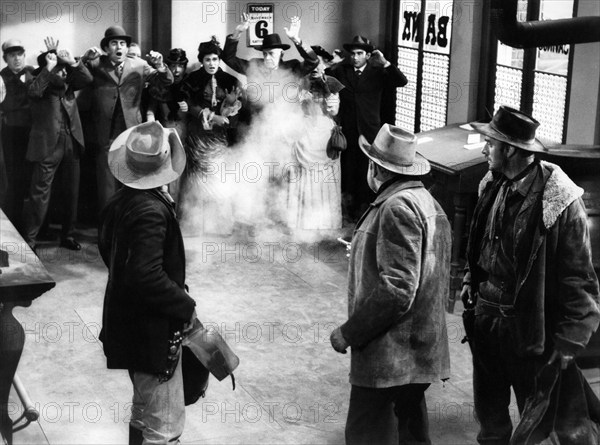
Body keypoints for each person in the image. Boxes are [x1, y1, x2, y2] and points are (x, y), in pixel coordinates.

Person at [461, 106, 600, 444]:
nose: (484, 149)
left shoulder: (560, 203)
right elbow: (480, 243)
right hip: (486, 323)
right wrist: (470, 278)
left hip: (528, 331)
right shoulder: (492, 186)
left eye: (490, 144)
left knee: (540, 424)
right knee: (490, 417)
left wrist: (569, 340)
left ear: (509, 149)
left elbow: (578, 281)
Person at [330, 123, 451, 444]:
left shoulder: (396, 207)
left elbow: (397, 289)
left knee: (364, 434)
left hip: (392, 354)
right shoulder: (426, 201)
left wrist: (349, 332)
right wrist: (362, 253)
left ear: (376, 168)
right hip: (418, 350)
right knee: (410, 433)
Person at [98, 121, 196, 444]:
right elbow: (146, 275)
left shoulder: (122, 201)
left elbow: (110, 253)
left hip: (130, 328)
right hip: (151, 335)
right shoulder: (151, 211)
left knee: (143, 412)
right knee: (164, 427)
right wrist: (185, 305)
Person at [81, 25, 173, 212]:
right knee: (106, 187)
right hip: (104, 134)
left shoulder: (139, 65)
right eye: (114, 43)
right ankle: (107, 230)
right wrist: (84, 59)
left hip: (132, 134)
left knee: (132, 183)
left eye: (122, 43)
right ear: (106, 48)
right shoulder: (96, 63)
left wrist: (161, 66)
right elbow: (77, 78)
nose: (119, 47)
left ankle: (130, 227)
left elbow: (165, 81)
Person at [326, 36, 408, 222]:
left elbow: (402, 81)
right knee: (348, 170)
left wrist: (385, 63)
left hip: (370, 130)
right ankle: (347, 211)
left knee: (368, 172)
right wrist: (330, 62)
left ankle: (367, 211)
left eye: (360, 53)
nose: (355, 57)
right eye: (353, 54)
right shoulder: (341, 70)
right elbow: (324, 77)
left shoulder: (377, 72)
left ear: (368, 55)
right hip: (347, 130)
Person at [22, 44, 92, 252]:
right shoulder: (37, 82)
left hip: (72, 141)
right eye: (58, 68)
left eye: (64, 68)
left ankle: (67, 235)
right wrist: (48, 68)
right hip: (47, 146)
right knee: (39, 193)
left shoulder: (68, 84)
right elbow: (34, 92)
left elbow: (87, 79)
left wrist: (72, 61)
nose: (63, 72)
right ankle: (30, 240)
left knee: (72, 191)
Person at [178, 37, 242, 234]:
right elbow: (186, 104)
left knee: (219, 177)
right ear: (202, 60)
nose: (212, 63)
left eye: (215, 59)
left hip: (220, 138)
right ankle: (195, 225)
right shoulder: (191, 80)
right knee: (198, 178)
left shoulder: (230, 81)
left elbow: (240, 105)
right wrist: (209, 116)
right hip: (198, 136)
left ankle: (220, 225)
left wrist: (231, 114)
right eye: (207, 60)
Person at [286, 46, 344, 232]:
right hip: (304, 132)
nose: (315, 69)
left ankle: (324, 223)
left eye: (319, 65)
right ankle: (303, 221)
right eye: (313, 65)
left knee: (324, 176)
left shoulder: (332, 83)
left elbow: (334, 111)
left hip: (325, 134)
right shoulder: (300, 83)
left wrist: (328, 94)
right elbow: (290, 109)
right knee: (303, 175)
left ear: (324, 65)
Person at [222, 14, 318, 115]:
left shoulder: (292, 68)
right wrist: (238, 31)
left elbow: (313, 61)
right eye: (265, 54)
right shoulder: (254, 66)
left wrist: (296, 39)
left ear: (281, 53)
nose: (267, 58)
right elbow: (228, 58)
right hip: (257, 122)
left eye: (271, 53)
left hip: (287, 122)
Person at [0, 39, 35, 231]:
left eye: (20, 54)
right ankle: (15, 225)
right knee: (14, 180)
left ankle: (33, 227)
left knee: (32, 179)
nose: (17, 59)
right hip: (11, 133)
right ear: (5, 58)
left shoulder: (31, 72)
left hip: (33, 133)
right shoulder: (1, 77)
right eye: (12, 55)